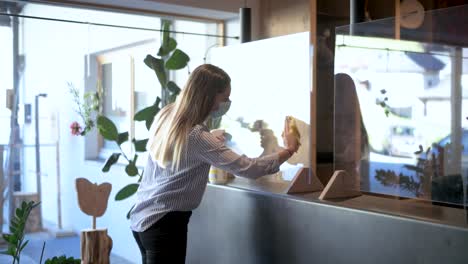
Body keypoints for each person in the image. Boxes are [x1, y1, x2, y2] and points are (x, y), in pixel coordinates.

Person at [130, 64, 300, 264]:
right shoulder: (197, 137)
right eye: (225, 98)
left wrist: (210, 138)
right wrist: (289, 149)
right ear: (208, 97)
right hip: (165, 224)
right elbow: (250, 168)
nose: (228, 103)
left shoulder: (168, 114)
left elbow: (180, 150)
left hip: (143, 219)